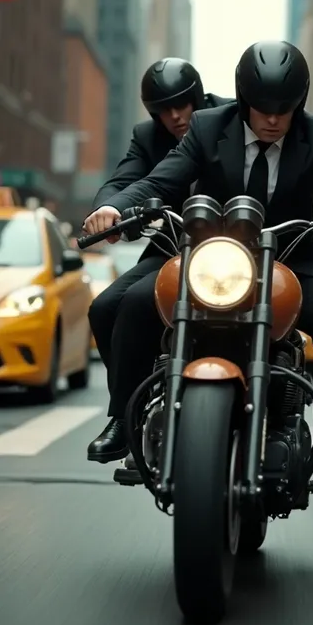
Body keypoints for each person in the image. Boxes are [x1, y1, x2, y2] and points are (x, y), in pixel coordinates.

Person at [83, 40, 313, 481]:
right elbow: (163, 177)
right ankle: (122, 420)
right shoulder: (209, 127)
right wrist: (115, 209)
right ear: (243, 99)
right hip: (212, 257)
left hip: (291, 258)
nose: (272, 119)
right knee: (134, 301)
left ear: (299, 104)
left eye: (283, 109)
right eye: (262, 107)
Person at [85, 58, 232, 462]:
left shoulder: (234, 118)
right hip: (173, 246)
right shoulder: (147, 136)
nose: (175, 115)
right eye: (163, 109)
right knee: (105, 307)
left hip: (240, 253)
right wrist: (108, 211)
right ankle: (126, 413)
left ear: (198, 98)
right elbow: (122, 181)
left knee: (137, 302)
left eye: (183, 104)